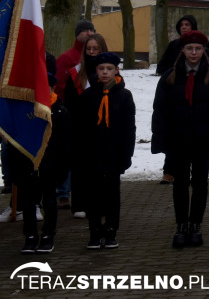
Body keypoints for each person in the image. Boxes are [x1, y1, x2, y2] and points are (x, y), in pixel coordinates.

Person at [152, 30, 209, 248]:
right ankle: (181, 225)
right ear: (183, 50)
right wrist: (159, 139)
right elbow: (160, 110)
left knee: (200, 183)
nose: (194, 52)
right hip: (177, 139)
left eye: (197, 48)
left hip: (202, 139)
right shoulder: (170, 76)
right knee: (180, 184)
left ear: (203, 50)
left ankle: (196, 224)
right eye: (189, 48)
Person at [10, 62, 71, 254]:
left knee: (50, 202)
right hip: (28, 166)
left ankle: (48, 234)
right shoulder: (25, 113)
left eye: (48, 88)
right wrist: (15, 168)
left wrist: (62, 169)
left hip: (50, 167)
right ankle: (30, 235)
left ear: (53, 88)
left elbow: (65, 144)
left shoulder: (60, 113)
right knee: (29, 203)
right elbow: (16, 142)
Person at [78, 52, 135, 249]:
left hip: (114, 152)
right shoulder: (87, 96)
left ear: (116, 70)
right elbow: (82, 127)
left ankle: (111, 231)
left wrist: (126, 154)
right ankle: (94, 231)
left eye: (109, 69)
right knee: (93, 195)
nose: (105, 72)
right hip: (93, 153)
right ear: (96, 71)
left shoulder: (124, 96)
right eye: (101, 69)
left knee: (112, 194)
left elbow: (129, 128)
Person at [155, 15, 209, 184]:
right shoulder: (174, 46)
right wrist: (176, 74)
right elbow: (161, 67)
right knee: (175, 137)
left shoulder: (207, 46)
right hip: (178, 92)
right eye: (181, 24)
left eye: (187, 24)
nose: (184, 27)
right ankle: (169, 171)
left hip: (200, 96)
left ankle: (195, 175)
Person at [61, 32, 109, 218]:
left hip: (103, 127)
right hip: (80, 127)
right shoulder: (76, 73)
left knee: (100, 168)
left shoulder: (110, 72)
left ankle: (100, 202)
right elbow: (70, 102)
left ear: (102, 48)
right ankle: (79, 204)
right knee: (80, 168)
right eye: (88, 49)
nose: (91, 52)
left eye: (95, 48)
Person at [55, 20, 94, 100]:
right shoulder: (65, 58)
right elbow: (59, 87)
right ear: (77, 34)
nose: (89, 33)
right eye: (85, 30)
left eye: (92, 30)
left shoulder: (98, 56)